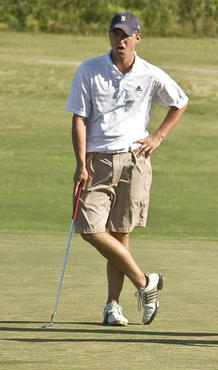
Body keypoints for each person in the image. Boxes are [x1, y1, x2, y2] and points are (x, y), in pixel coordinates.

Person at [65, 12, 188, 326]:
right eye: (115, 34)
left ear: (137, 38)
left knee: (121, 235)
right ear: (109, 36)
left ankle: (113, 307)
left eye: (126, 35)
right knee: (90, 229)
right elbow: (78, 118)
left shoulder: (148, 73)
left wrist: (158, 137)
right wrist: (81, 164)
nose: (120, 40)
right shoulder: (89, 69)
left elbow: (180, 101)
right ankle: (146, 282)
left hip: (134, 159)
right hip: (96, 161)